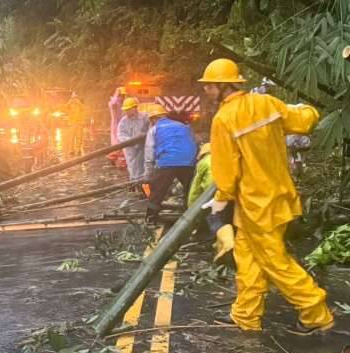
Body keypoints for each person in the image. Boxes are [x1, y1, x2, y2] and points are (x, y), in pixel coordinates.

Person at [199, 58, 334, 335]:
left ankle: (315, 313)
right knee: (247, 256)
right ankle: (246, 315)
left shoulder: (223, 119)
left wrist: (221, 199)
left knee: (274, 260)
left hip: (255, 204)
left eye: (209, 86)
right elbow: (304, 120)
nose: (206, 91)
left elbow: (225, 169)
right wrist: (307, 108)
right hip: (279, 195)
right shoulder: (266, 104)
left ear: (222, 86)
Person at [142, 103, 197, 222]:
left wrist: (147, 175)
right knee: (190, 188)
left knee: (157, 190)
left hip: (167, 161)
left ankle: (151, 217)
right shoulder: (183, 125)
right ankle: (191, 215)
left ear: (153, 118)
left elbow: (149, 153)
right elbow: (192, 142)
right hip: (188, 160)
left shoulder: (154, 129)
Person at [117, 98, 149, 183]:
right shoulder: (123, 122)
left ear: (134, 108)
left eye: (128, 110)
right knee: (133, 169)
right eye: (125, 110)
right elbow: (120, 135)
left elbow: (151, 129)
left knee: (146, 168)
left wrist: (145, 137)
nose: (126, 112)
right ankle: (135, 186)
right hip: (131, 150)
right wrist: (131, 141)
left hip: (143, 148)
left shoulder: (145, 117)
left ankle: (146, 188)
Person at [107, 87, 127, 167]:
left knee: (123, 142)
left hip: (123, 125)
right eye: (120, 95)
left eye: (123, 95)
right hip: (116, 125)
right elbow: (112, 104)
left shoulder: (124, 103)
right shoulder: (114, 103)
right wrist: (116, 93)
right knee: (116, 143)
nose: (122, 97)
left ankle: (122, 159)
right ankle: (116, 159)